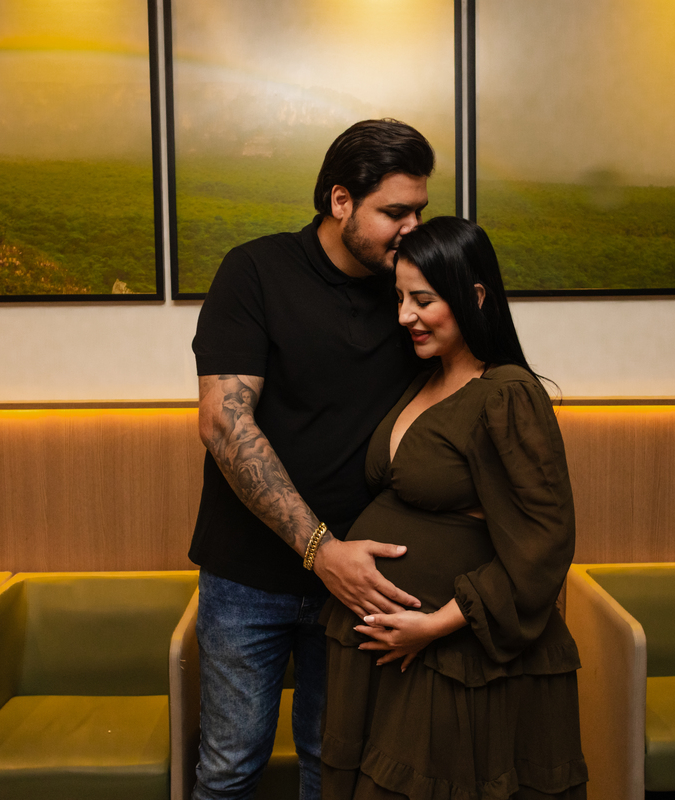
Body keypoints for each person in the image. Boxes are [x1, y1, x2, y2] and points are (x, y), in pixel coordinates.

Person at [190, 119, 436, 800]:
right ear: (340, 201)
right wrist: (320, 550)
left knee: (335, 767)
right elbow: (223, 422)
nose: (412, 228)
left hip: (365, 581)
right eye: (395, 212)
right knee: (230, 768)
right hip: (248, 577)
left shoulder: (411, 291)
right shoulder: (255, 271)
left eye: (420, 211)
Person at [322, 217, 588, 800]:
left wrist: (432, 626)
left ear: (475, 296)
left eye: (423, 300)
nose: (405, 316)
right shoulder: (423, 380)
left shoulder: (507, 393)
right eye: (399, 299)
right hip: (394, 655)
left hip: (453, 657)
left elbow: (545, 542)